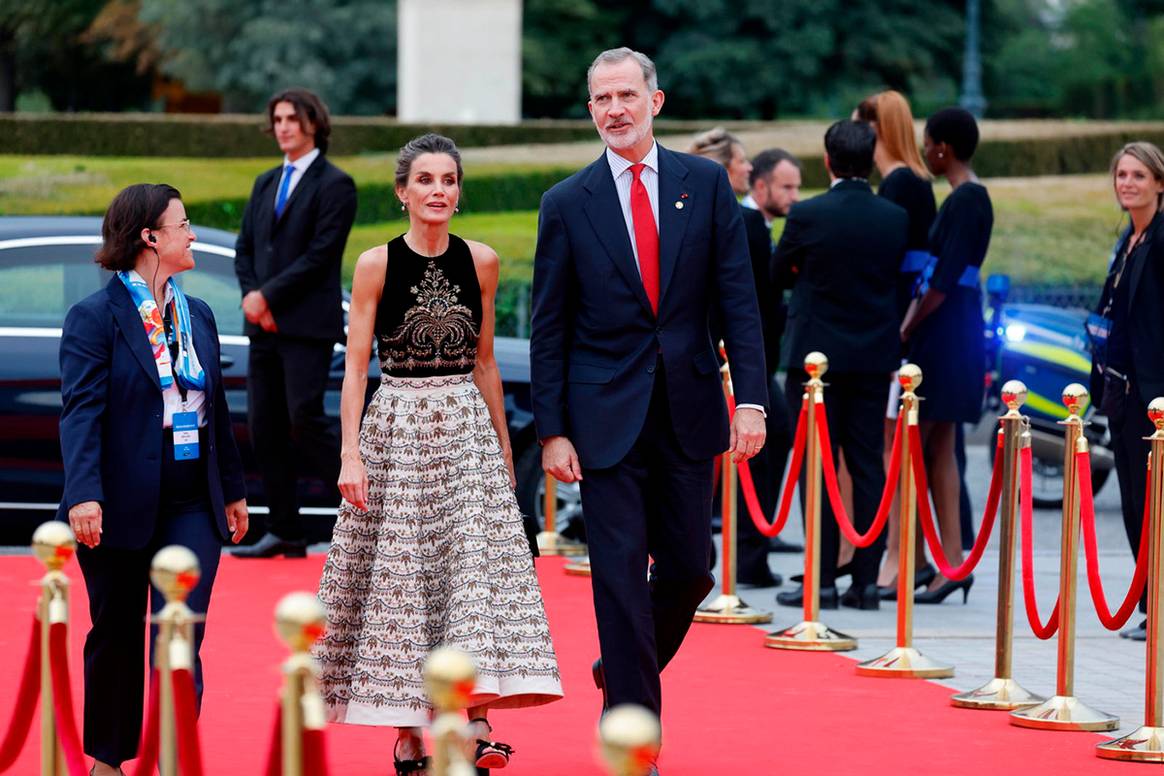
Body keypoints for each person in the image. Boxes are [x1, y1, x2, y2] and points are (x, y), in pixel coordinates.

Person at [529, 47, 768, 749]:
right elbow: (550, 326)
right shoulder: (567, 203)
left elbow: (738, 301)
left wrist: (749, 399)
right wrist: (552, 430)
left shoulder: (705, 184)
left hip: (689, 412)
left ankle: (625, 669)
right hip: (602, 420)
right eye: (601, 99)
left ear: (654, 102)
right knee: (619, 578)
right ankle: (633, 728)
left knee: (691, 569)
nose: (614, 110)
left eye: (626, 96)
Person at [314, 133, 562, 775]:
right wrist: (350, 454)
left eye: (448, 180)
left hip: (464, 429)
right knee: (401, 578)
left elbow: (484, 363)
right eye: (424, 180)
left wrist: (504, 451)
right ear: (403, 192)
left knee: (471, 575)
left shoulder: (480, 259)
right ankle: (406, 735)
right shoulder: (374, 264)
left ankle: (477, 721)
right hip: (395, 427)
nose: (438, 191)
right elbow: (356, 368)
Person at [58, 184, 249, 776]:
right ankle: (109, 761)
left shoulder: (199, 314)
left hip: (192, 498)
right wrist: (84, 494)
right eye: (184, 225)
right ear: (150, 237)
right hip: (119, 499)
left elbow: (213, 412)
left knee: (180, 633)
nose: (192, 235)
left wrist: (233, 489)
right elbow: (81, 411)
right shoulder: (95, 317)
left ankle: (172, 757)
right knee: (114, 633)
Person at [772, 120, 907, 612]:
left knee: (816, 465)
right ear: (871, 162)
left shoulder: (809, 213)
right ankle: (866, 583)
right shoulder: (893, 217)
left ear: (827, 161)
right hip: (873, 357)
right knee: (867, 464)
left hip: (816, 362)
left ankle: (823, 580)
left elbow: (776, 270)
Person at [233, 87, 357, 558]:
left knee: (305, 420)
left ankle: (369, 516)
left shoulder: (335, 184)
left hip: (306, 326)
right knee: (264, 427)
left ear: (313, 123)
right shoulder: (265, 182)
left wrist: (267, 296)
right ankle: (286, 530)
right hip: (262, 326)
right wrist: (251, 296)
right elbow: (245, 247)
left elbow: (320, 256)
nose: (283, 126)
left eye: (292, 118)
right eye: (278, 118)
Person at [900, 107, 992, 604]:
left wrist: (908, 325)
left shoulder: (967, 201)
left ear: (944, 149)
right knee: (938, 446)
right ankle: (946, 561)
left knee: (934, 442)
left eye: (929, 143)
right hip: (951, 330)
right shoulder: (963, 199)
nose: (926, 151)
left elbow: (943, 280)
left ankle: (947, 562)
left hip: (947, 332)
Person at [688, 130, 786, 586]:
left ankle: (723, 550)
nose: (750, 168)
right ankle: (750, 554)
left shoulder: (687, 216)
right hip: (735, 362)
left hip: (708, 355)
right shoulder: (743, 223)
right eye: (743, 162)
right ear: (724, 168)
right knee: (758, 456)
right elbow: (755, 305)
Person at [854, 90, 940, 599]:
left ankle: (901, 556)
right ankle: (907, 555)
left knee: (895, 450)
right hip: (897, 329)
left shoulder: (902, 185)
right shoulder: (904, 182)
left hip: (897, 335)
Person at [1088, 141, 1164, 641]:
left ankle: (1158, 606)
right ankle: (1148, 604)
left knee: (1153, 502)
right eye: (1122, 175)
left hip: (1153, 394)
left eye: (1138, 175)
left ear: (1159, 183)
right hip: (1120, 392)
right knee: (1134, 499)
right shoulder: (1128, 240)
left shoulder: (1161, 241)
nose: (1128, 183)